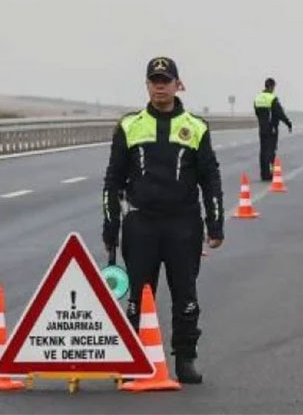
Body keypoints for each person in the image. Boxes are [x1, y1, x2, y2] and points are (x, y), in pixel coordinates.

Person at [103, 57, 224, 384]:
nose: (160, 86)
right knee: (138, 295)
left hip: (183, 224)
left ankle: (185, 358)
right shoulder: (129, 126)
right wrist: (110, 226)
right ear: (147, 85)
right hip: (141, 224)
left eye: (165, 80)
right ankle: (134, 360)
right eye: (154, 80)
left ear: (177, 84)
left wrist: (216, 224)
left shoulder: (196, 127)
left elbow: (210, 178)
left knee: (186, 293)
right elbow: (112, 180)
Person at [253, 78, 292, 181]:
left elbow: (257, 112)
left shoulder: (258, 98)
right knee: (271, 151)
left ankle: (263, 174)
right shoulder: (272, 98)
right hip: (272, 129)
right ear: (271, 86)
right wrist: (288, 123)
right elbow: (279, 113)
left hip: (262, 128)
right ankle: (269, 174)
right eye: (274, 87)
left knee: (263, 151)